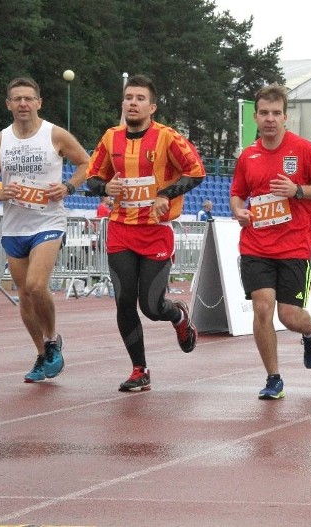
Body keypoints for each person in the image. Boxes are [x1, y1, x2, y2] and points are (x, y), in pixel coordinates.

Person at [85, 74, 204, 392]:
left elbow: (196, 172)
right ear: (122, 103)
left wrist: (166, 193)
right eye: (128, 97)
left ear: (152, 106)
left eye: (139, 98)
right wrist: (104, 186)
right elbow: (91, 178)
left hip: (155, 232)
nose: (133, 103)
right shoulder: (111, 138)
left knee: (151, 307)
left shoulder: (167, 137)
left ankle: (177, 316)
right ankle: (140, 369)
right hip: (121, 229)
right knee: (125, 302)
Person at [0, 77, 89, 383]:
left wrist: (67, 186)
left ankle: (52, 340)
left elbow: (86, 164)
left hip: (48, 222)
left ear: (39, 102)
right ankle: (42, 354)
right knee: (25, 295)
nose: (23, 104)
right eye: (17, 99)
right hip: (14, 226)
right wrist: (0, 193)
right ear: (9, 105)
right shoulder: (1, 140)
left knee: (37, 285)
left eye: (29, 98)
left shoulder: (54, 134)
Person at [230, 83, 311, 400]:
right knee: (262, 309)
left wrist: (298, 191)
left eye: (276, 113)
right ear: (256, 117)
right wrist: (238, 210)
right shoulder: (248, 156)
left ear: (285, 117)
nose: (270, 119)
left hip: (293, 247)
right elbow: (237, 193)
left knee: (288, 317)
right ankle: (273, 378)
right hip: (256, 246)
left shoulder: (302, 149)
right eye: (264, 113)